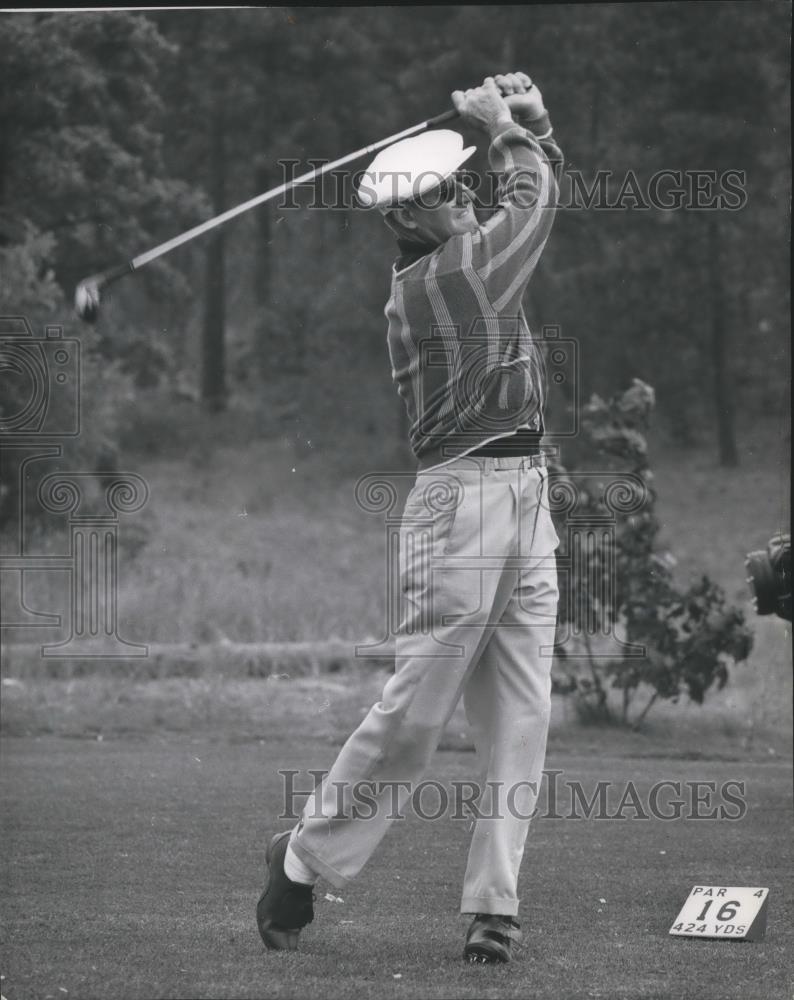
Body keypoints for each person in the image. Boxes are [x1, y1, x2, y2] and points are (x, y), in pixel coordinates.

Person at [257, 72, 564, 964]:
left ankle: (494, 905)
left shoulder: (468, 249)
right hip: (462, 507)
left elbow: (528, 189)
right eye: (442, 193)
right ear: (404, 222)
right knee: (417, 718)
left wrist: (528, 125)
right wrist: (512, 126)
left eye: (465, 180)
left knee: (521, 714)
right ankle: (303, 859)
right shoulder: (446, 281)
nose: (465, 197)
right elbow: (534, 200)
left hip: (524, 494)